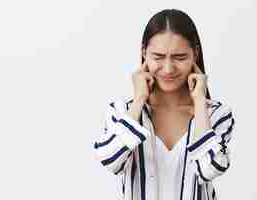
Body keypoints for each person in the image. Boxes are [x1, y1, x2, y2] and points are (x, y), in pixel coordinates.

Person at [93, 8, 235, 200]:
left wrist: (200, 102)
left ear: (195, 54)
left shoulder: (216, 114)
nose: (168, 69)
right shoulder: (123, 112)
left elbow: (210, 169)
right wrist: (139, 100)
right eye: (158, 57)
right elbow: (111, 161)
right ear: (144, 53)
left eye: (180, 57)